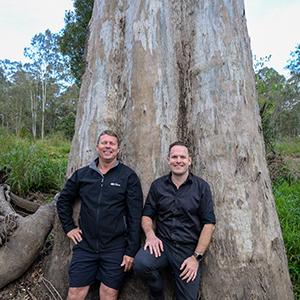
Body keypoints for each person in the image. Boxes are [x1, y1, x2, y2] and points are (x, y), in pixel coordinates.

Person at [57, 130, 143, 300]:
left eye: (112, 144)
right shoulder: (82, 175)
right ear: (97, 147)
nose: (108, 146)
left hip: (115, 247)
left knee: (109, 293)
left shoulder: (128, 177)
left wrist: (131, 251)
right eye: (104, 143)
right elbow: (63, 201)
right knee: (75, 293)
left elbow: (135, 216)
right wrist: (69, 228)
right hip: (85, 245)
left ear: (118, 149)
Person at [134, 141, 216, 300]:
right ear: (168, 160)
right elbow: (146, 215)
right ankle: (157, 294)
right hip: (162, 245)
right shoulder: (158, 186)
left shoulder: (201, 187)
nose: (178, 160)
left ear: (189, 160)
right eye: (174, 157)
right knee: (141, 264)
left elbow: (209, 224)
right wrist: (150, 235)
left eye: (182, 157)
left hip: (188, 251)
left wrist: (196, 258)